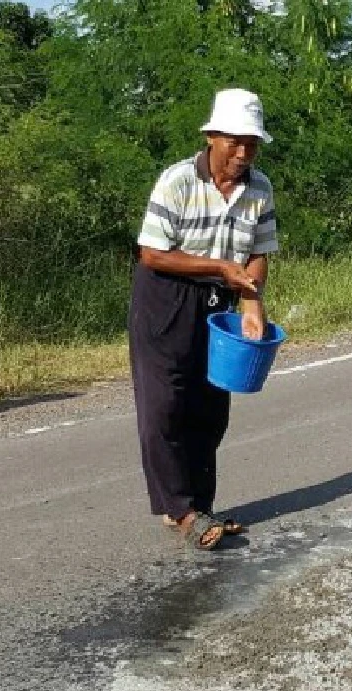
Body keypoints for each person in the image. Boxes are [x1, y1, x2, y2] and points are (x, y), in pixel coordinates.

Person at [130, 88, 278, 550]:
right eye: (233, 141)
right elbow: (152, 253)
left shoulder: (261, 188)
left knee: (211, 409)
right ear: (211, 136)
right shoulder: (176, 181)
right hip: (166, 300)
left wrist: (252, 302)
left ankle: (200, 505)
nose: (242, 152)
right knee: (165, 407)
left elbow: (259, 252)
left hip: (221, 301)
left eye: (251, 143)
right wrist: (218, 267)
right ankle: (181, 510)